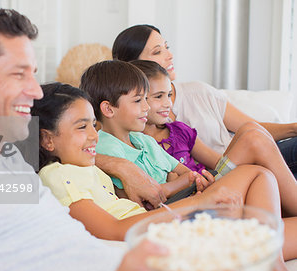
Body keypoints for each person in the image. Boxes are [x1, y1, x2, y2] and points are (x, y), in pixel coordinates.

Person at [0, 9, 240, 271]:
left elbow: (72, 158)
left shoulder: (10, 160)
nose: (36, 91)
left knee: (257, 253)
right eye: (19, 74)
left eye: (34, 74)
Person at [79, 60, 297, 271]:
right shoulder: (106, 146)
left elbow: (183, 172)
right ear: (108, 109)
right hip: (173, 211)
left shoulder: (143, 140)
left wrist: (187, 180)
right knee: (256, 172)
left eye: (147, 99)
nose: (146, 107)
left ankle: (267, 262)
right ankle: (274, 268)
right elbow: (147, 198)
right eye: (139, 100)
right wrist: (184, 182)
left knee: (261, 171)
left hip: (190, 195)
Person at [34, 82, 243, 241]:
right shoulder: (58, 175)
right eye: (82, 127)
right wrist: (194, 203)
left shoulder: (86, 168)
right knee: (251, 175)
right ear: (47, 140)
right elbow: (112, 229)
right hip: (147, 235)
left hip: (154, 223)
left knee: (254, 177)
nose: (94, 136)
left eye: (93, 125)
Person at [111, 24, 297, 176]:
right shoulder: (134, 129)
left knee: (252, 133)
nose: (170, 55)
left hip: (248, 162)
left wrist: (293, 128)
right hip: (221, 177)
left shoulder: (196, 94)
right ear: (134, 67)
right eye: (158, 52)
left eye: (167, 47)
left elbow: (252, 126)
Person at [131, 59, 297, 217]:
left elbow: (218, 163)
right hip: (192, 198)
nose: (168, 103)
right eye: (159, 96)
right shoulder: (136, 143)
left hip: (209, 183)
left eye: (169, 95)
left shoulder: (179, 130)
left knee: (249, 129)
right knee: (253, 139)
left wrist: (212, 177)